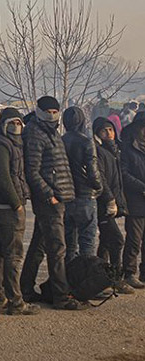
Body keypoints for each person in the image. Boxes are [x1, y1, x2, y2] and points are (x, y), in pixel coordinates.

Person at [20, 96, 88, 310]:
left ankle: (26, 288)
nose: (51, 115)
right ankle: (61, 296)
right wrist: (49, 195)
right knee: (57, 248)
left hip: (58, 197)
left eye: (54, 112)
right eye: (47, 112)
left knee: (39, 246)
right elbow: (32, 171)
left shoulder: (51, 132)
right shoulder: (35, 133)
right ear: (39, 112)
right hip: (50, 200)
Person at [0, 108, 40, 316]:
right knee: (14, 254)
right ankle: (16, 301)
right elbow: (2, 177)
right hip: (8, 206)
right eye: (12, 123)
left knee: (3, 251)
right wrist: (16, 203)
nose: (16, 126)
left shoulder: (14, 144)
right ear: (3, 124)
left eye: (18, 122)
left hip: (10, 203)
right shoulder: (0, 145)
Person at [93, 117, 135, 294]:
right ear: (97, 133)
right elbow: (101, 178)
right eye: (104, 130)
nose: (108, 133)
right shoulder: (99, 152)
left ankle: (100, 279)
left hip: (112, 201)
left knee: (105, 242)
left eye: (110, 129)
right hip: (103, 203)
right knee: (117, 240)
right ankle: (116, 279)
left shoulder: (114, 151)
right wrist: (110, 199)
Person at [62, 106, 103, 263]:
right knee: (87, 242)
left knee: (69, 244)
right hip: (85, 195)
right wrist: (99, 186)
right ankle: (85, 274)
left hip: (66, 195)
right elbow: (93, 171)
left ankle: (68, 274)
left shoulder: (60, 141)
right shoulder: (86, 142)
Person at [120, 113, 145, 289]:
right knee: (134, 240)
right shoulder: (127, 149)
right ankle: (129, 272)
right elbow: (123, 173)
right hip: (135, 200)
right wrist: (142, 187)